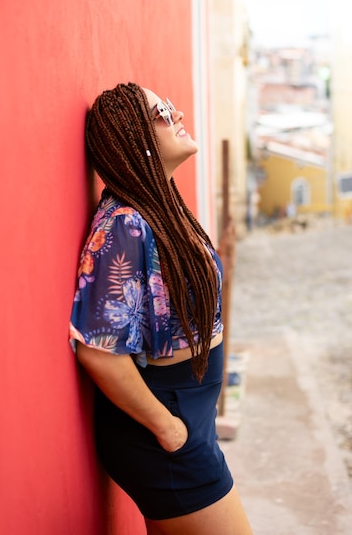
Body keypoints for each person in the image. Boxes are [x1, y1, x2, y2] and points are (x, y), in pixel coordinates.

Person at [69, 82, 253, 535]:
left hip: (185, 416)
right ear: (136, 138)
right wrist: (169, 428)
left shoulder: (157, 208)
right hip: (164, 425)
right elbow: (96, 349)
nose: (177, 114)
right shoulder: (125, 225)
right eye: (161, 113)